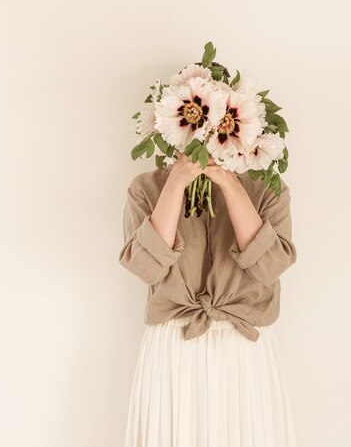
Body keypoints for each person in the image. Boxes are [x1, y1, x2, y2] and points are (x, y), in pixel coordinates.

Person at [120, 151, 299, 446]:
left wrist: (229, 183)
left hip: (244, 350)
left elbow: (269, 267)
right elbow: (147, 268)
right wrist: (176, 182)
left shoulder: (268, 187)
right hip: (174, 346)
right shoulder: (145, 188)